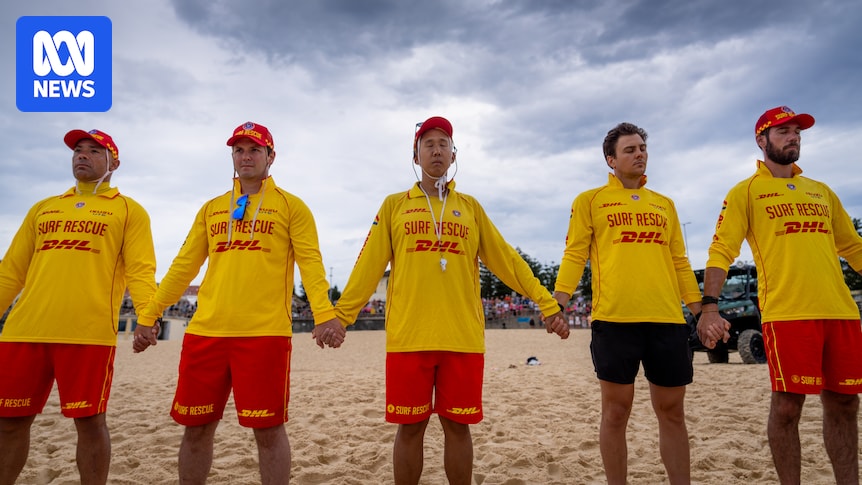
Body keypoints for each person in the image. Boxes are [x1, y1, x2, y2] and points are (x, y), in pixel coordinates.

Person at [314, 116, 568, 485]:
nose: (436, 149)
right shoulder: (394, 206)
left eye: (443, 143)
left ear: (453, 155)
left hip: (461, 337)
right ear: (415, 156)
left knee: (458, 427)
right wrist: (340, 316)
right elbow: (367, 267)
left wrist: (547, 304)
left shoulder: (471, 208)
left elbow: (508, 262)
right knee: (410, 427)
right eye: (427, 143)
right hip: (409, 337)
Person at [133, 122, 340, 484]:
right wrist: (150, 314)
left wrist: (324, 314)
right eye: (239, 150)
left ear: (271, 157)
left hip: (263, 335)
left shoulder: (292, 207)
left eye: (254, 150)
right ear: (232, 156)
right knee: (196, 430)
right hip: (205, 334)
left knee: (268, 432)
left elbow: (311, 263)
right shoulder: (212, 208)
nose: (246, 156)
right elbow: (184, 267)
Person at [697, 106, 862, 484]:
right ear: (762, 140)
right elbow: (721, 250)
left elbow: (853, 248)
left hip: (840, 312)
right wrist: (710, 306)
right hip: (788, 314)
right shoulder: (746, 192)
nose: (794, 136)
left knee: (845, 404)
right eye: (784, 130)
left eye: (797, 131)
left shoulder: (821, 191)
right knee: (788, 407)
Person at [0, 129, 157, 484]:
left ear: (113, 162)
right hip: (25, 330)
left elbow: (142, 271)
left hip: (88, 334)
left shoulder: (129, 210)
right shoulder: (43, 208)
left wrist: (148, 316)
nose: (82, 155)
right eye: (78, 150)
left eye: (93, 151)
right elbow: (10, 272)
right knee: (9, 422)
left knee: (88, 423)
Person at [552, 122, 702, 485]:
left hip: (666, 320)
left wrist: (702, 310)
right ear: (611, 160)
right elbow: (574, 254)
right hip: (615, 320)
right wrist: (557, 302)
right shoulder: (590, 201)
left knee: (672, 413)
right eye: (630, 150)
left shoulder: (664, 204)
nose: (639, 154)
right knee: (616, 412)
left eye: (642, 148)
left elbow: (680, 261)